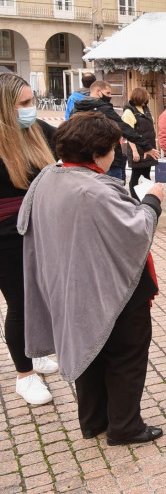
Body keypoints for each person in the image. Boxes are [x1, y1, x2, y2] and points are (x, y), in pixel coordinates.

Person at [19, 112, 166, 445]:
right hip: (111, 287)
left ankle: (94, 421)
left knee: (92, 350)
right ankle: (125, 427)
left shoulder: (48, 176)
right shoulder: (93, 189)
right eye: (113, 147)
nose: (116, 153)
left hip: (72, 284)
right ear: (98, 153)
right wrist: (153, 200)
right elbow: (137, 230)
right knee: (127, 355)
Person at [0, 73, 59, 405]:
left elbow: (69, 142)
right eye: (23, 104)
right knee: (19, 304)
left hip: (38, 231)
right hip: (6, 239)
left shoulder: (36, 131)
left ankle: (34, 351)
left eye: (31, 101)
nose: (30, 109)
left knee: (40, 297)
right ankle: (25, 376)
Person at [73, 80, 159, 181]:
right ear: (97, 91)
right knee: (115, 191)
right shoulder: (103, 108)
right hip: (107, 159)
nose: (110, 96)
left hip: (84, 160)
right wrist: (146, 146)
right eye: (107, 93)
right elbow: (124, 128)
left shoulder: (76, 109)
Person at [122, 87, 158, 200]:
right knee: (135, 175)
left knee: (146, 174)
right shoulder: (129, 111)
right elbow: (129, 133)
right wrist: (134, 151)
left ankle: (146, 197)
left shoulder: (146, 109)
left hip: (148, 147)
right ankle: (134, 199)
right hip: (137, 148)